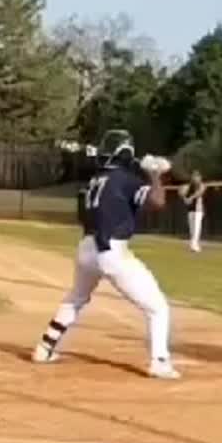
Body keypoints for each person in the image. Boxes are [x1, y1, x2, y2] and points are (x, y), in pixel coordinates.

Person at [33, 136, 180, 379]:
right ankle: (160, 361)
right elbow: (158, 201)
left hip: (87, 247)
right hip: (111, 250)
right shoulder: (125, 180)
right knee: (158, 308)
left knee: (76, 297)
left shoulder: (96, 179)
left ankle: (45, 347)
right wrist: (155, 175)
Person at [181, 171, 207, 253]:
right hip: (190, 210)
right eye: (194, 176)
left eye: (197, 176)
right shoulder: (188, 186)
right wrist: (185, 198)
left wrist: (191, 198)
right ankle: (194, 245)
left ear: (200, 177)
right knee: (192, 229)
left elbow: (199, 193)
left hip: (198, 210)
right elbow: (182, 192)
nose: (195, 178)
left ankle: (194, 245)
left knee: (196, 228)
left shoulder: (201, 185)